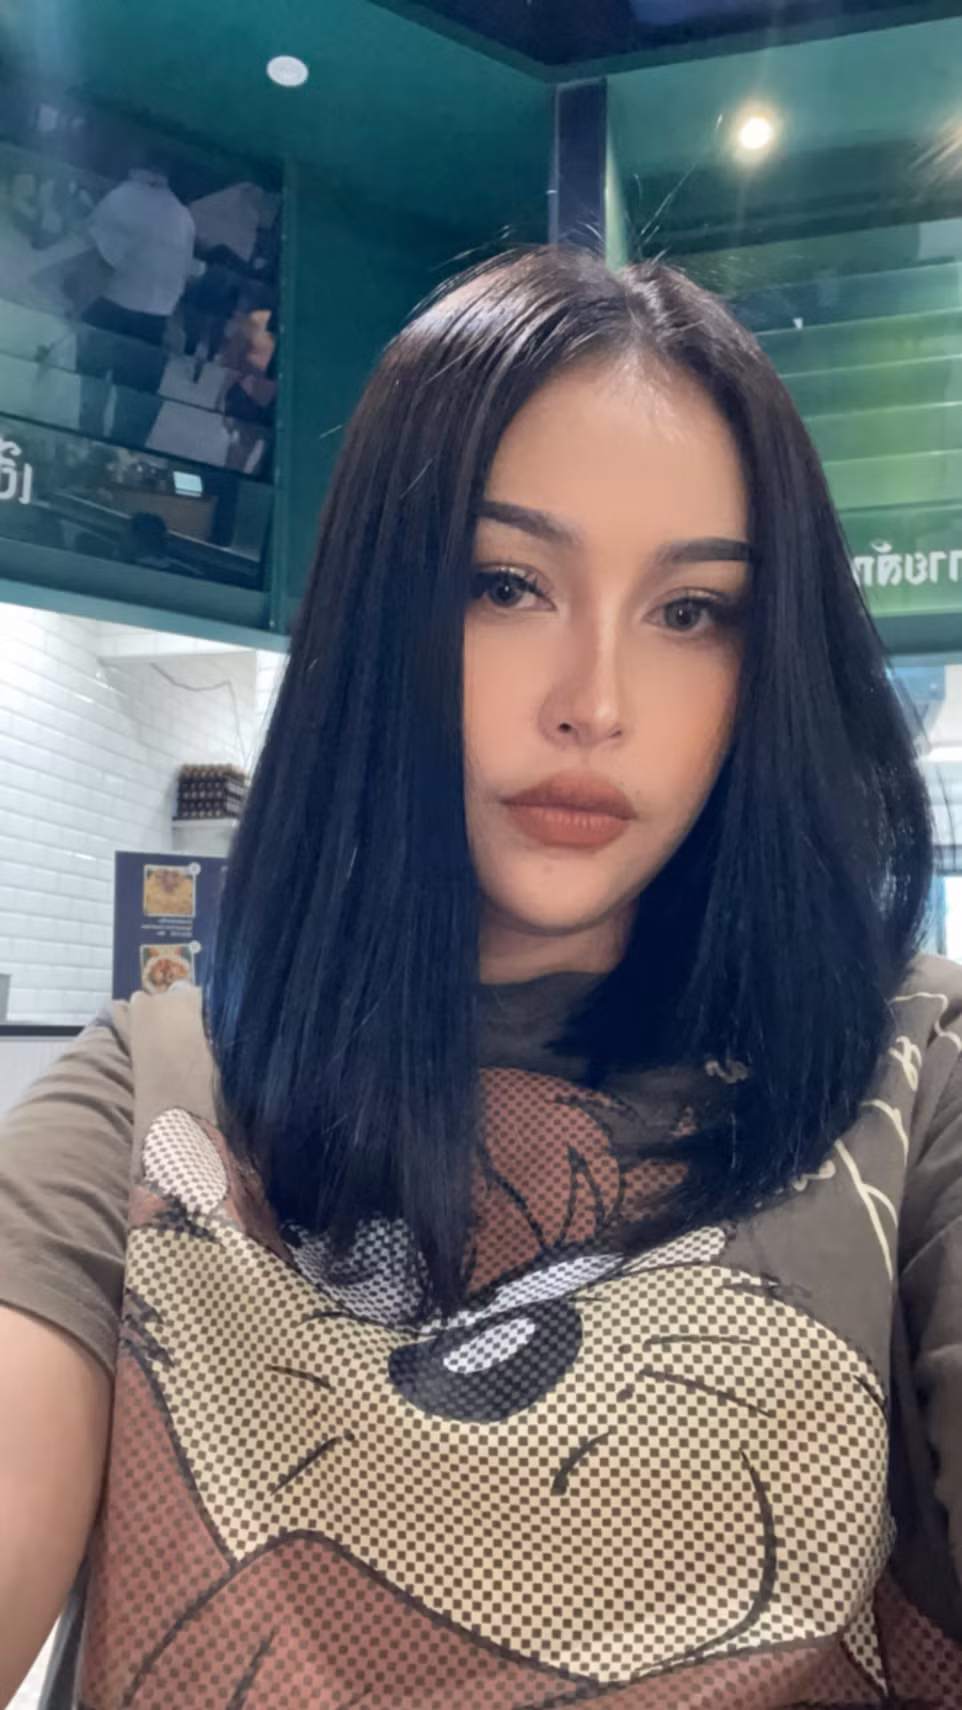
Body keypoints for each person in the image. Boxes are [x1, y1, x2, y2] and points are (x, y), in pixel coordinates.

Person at [0, 247, 960, 1709]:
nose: (595, 703)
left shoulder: (911, 1078)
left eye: (691, 610)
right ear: (381, 617)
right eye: (505, 584)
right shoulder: (155, 1094)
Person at [75, 162, 196, 448]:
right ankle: (119, 457)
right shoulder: (183, 216)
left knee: (93, 386)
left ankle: (85, 442)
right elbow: (183, 275)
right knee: (134, 399)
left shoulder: (123, 198)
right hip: (155, 321)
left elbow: (101, 260)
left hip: (112, 309)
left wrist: (78, 305)